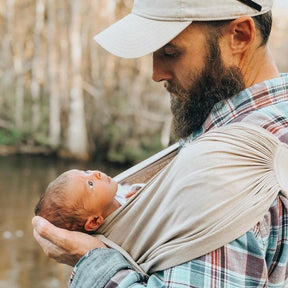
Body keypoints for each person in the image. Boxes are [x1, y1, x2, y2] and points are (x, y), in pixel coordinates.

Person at [32, 0, 288, 287]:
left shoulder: (221, 172)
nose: (156, 73)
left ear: (240, 35)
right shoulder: (277, 122)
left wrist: (91, 259)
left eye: (170, 52)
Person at [34, 169, 143, 233]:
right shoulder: (121, 229)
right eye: (91, 184)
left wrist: (137, 190)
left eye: (86, 172)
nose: (96, 173)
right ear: (94, 221)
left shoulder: (112, 194)